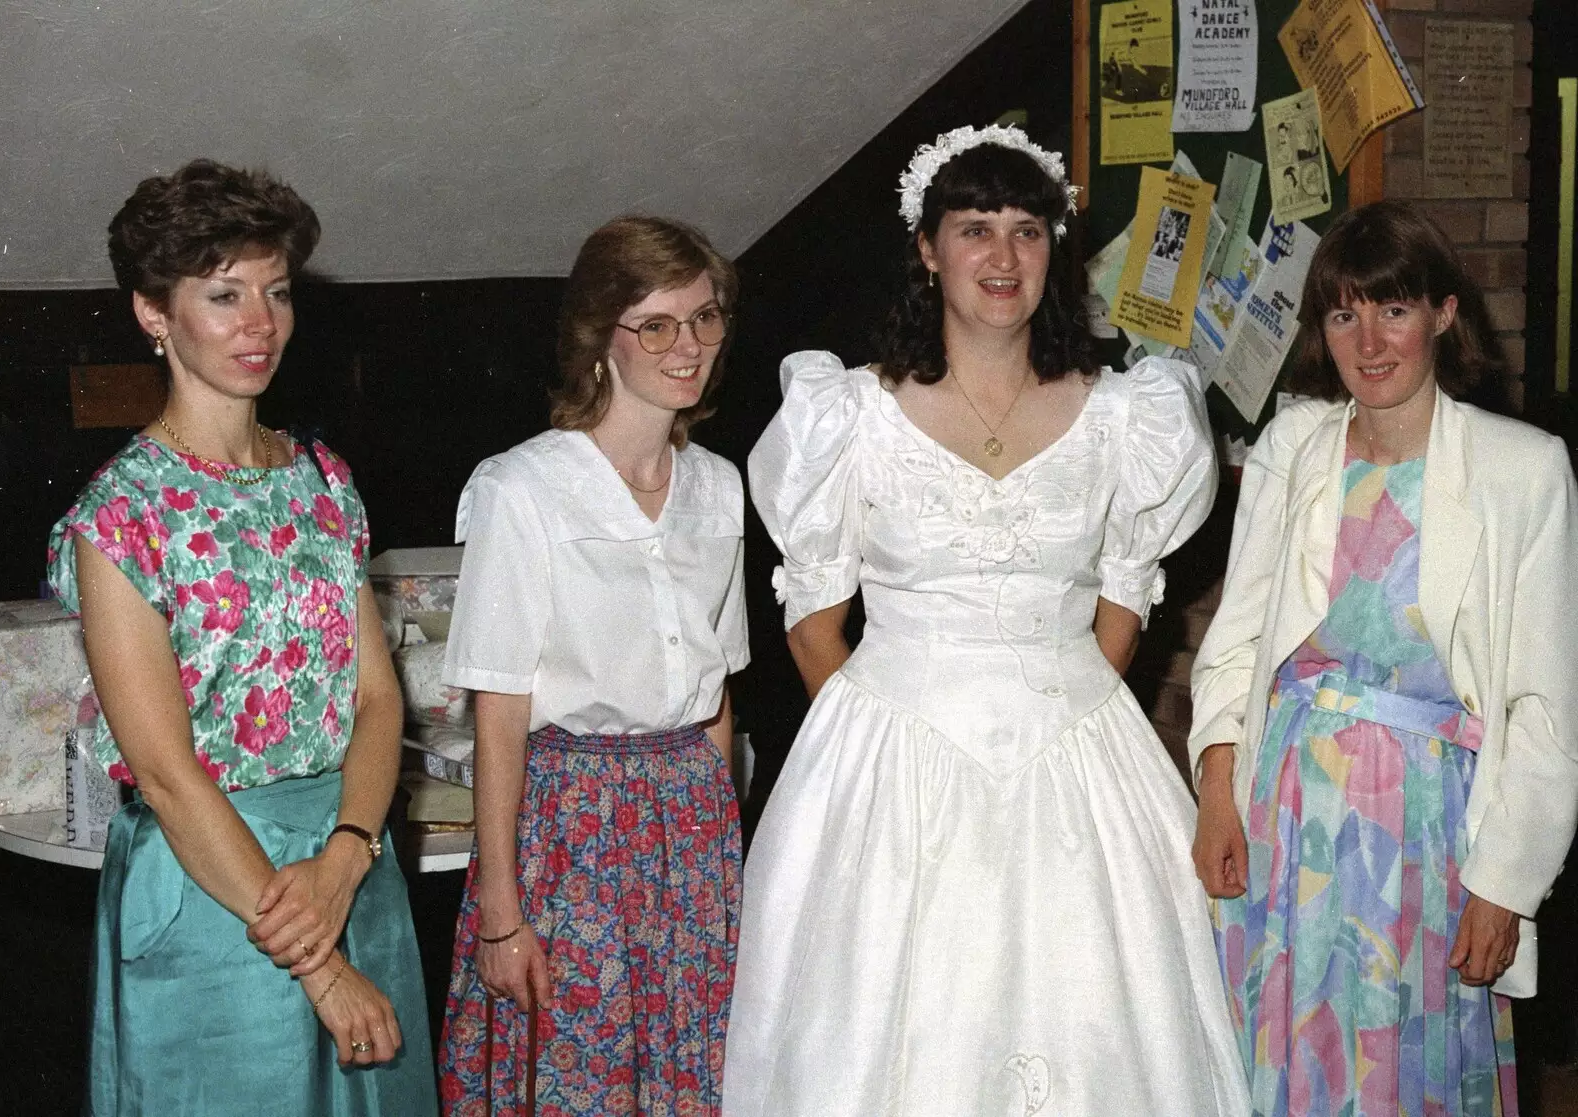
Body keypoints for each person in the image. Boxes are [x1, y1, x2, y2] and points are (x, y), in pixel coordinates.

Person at [724, 124, 1249, 1115]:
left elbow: (1124, 597)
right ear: (927, 250)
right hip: (892, 759)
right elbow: (811, 618)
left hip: (1076, 761)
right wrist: (886, 743)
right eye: (973, 229)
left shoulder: (1121, 415)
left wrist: (1054, 704)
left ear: (1053, 246)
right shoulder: (852, 414)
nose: (1002, 258)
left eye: (1025, 229)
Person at [47, 159, 434, 1114]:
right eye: (223, 295)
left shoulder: (323, 482)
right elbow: (170, 775)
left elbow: (379, 699)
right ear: (153, 313)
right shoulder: (121, 518)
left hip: (350, 861)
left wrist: (348, 858)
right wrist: (321, 968)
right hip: (216, 897)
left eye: (276, 291)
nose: (259, 323)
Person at [1190, 200, 1578, 1115]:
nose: (1369, 340)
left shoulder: (1525, 470)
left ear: (1444, 313)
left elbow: (1545, 709)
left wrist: (1505, 884)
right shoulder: (1293, 448)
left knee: (1406, 1076)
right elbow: (1235, 641)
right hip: (1287, 819)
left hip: (1431, 838)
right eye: (1343, 313)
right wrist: (1216, 792)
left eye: (1394, 309)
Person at [435, 216, 749, 1115]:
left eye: (704, 318)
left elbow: (718, 694)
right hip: (572, 830)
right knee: (576, 1075)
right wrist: (503, 910)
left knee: (697, 1075)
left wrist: (723, 864)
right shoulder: (521, 489)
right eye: (656, 324)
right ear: (599, 339)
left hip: (690, 823)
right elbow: (498, 710)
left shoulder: (719, 486)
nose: (687, 346)